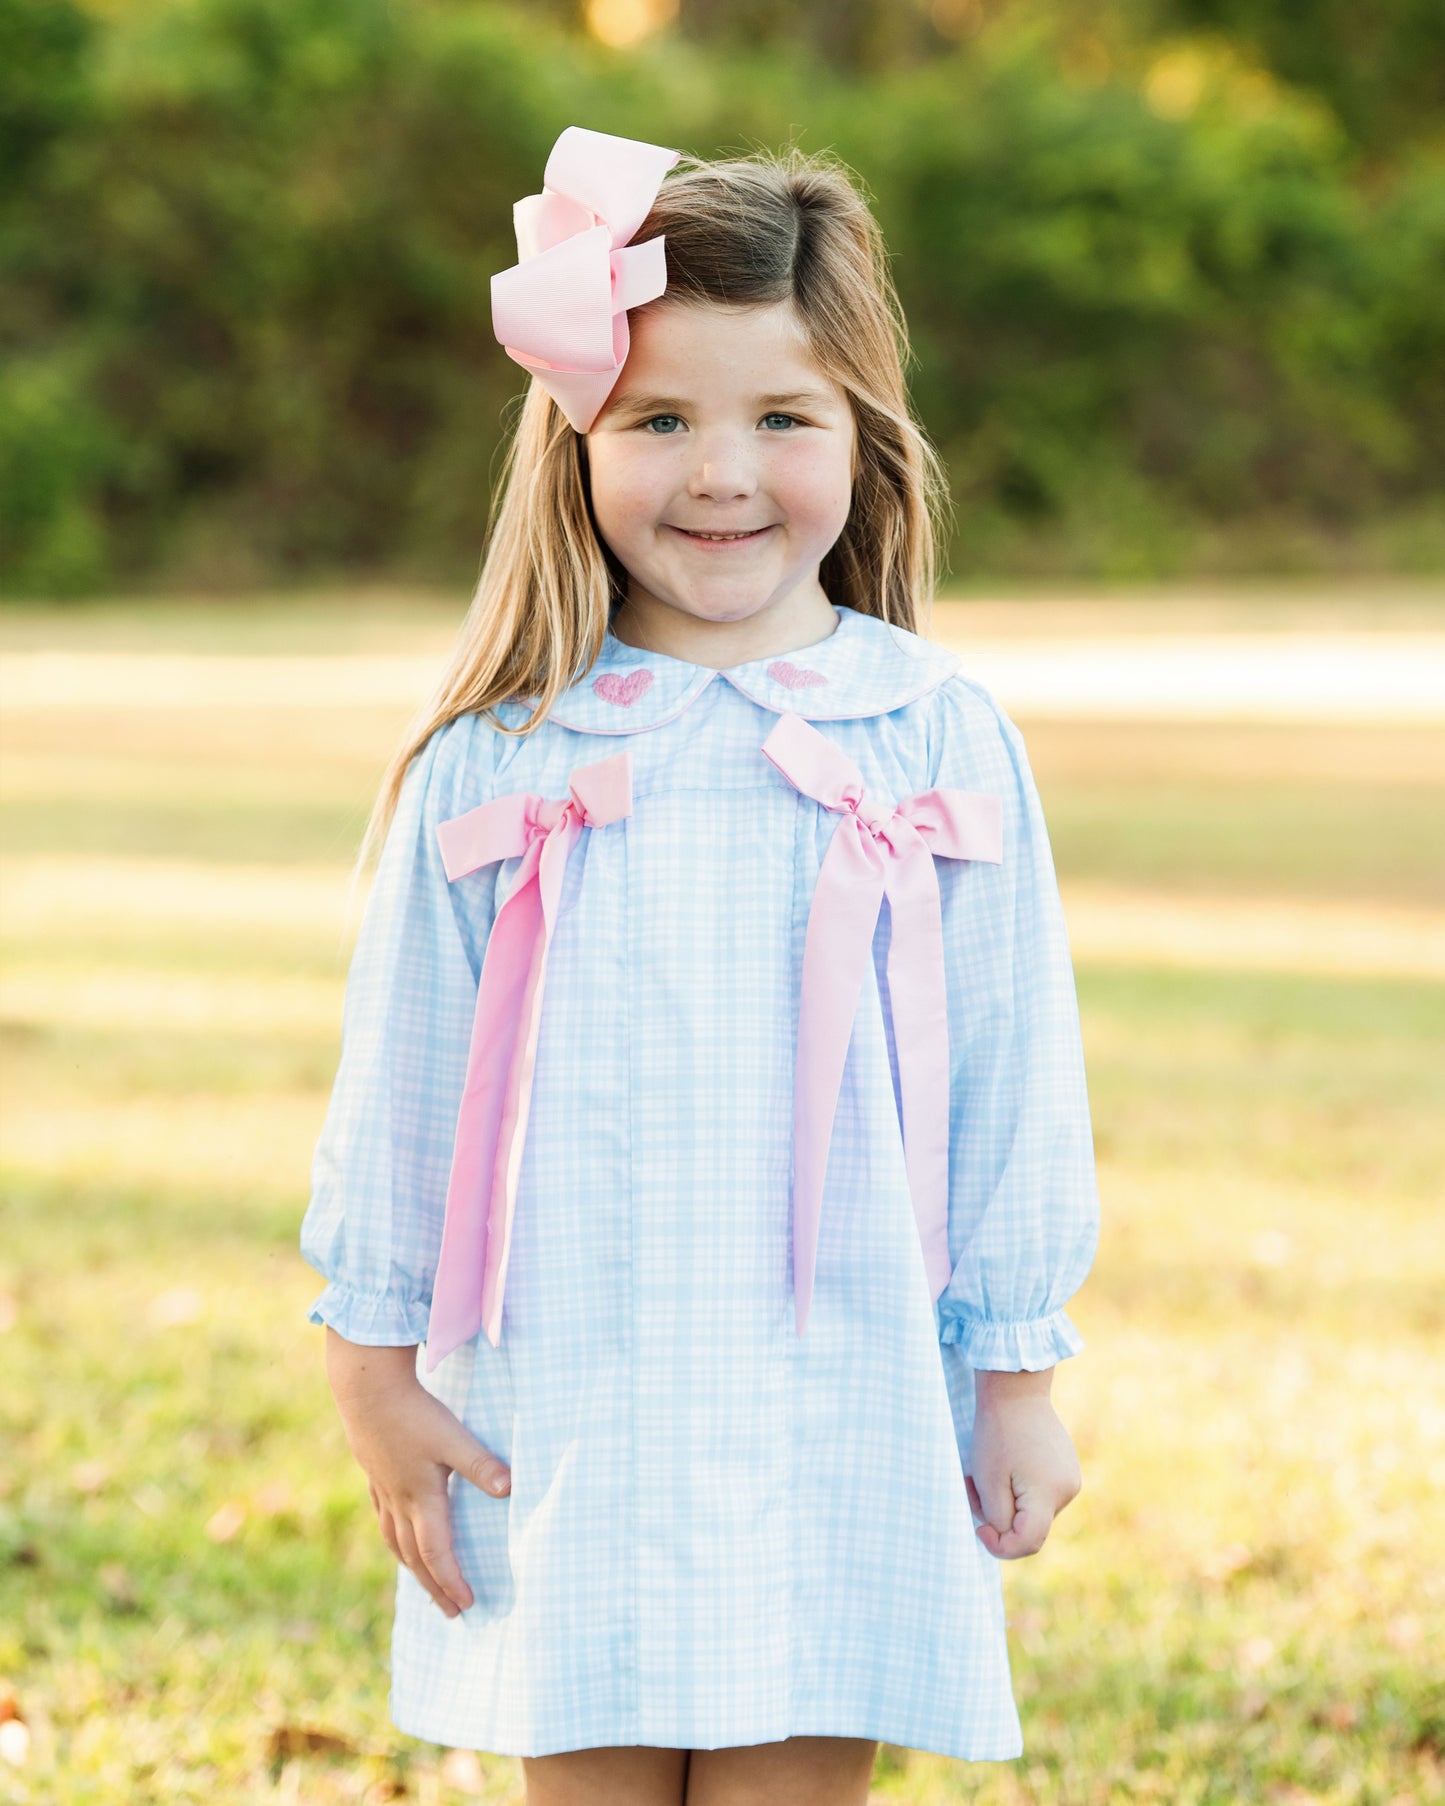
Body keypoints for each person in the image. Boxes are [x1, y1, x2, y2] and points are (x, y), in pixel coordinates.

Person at [300, 125, 1100, 1806]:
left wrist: (1015, 1374)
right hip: (567, 1391)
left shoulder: (931, 736)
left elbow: (1015, 1073)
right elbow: (405, 1082)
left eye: (779, 419)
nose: (720, 471)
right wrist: (372, 1372)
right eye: (660, 419)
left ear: (861, 439)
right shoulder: (499, 759)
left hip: (839, 1382)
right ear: (574, 439)